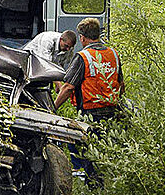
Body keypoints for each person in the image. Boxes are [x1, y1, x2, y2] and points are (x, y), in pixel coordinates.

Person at [53, 18, 124, 183]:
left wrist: (52, 108)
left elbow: (68, 87)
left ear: (82, 38)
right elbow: (121, 83)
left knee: (86, 150)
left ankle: (94, 187)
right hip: (113, 111)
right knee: (107, 150)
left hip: (91, 113)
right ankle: (110, 185)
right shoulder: (113, 54)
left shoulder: (83, 56)